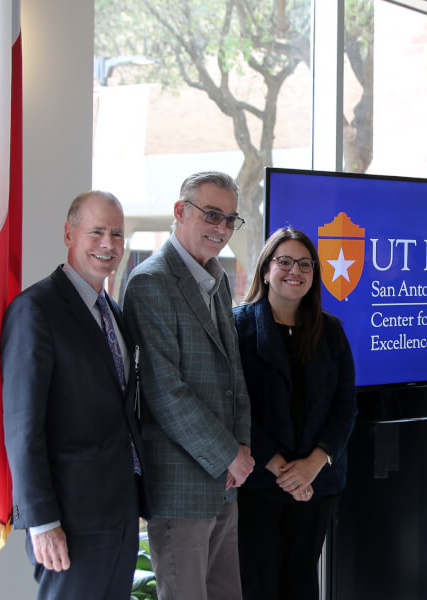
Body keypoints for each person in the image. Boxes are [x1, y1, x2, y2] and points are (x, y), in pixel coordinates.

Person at [0, 191, 150, 599]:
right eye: (96, 231)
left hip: (120, 512)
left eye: (117, 234)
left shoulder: (114, 313)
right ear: (69, 234)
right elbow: (21, 424)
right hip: (70, 518)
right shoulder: (36, 309)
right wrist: (42, 521)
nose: (108, 244)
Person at [123, 171, 255, 600]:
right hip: (180, 490)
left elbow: (235, 375)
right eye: (211, 215)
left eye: (230, 220)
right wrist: (228, 455)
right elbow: (166, 392)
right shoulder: (150, 282)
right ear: (180, 211)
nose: (221, 229)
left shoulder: (215, 281)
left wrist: (242, 448)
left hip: (225, 484)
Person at [233, 227, 357, 600]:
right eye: (284, 261)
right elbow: (234, 406)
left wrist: (312, 466)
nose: (294, 271)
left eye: (305, 264)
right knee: (259, 585)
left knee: (302, 585)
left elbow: (345, 406)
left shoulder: (332, 331)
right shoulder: (238, 327)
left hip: (318, 484)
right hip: (259, 484)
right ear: (266, 269)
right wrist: (281, 469)